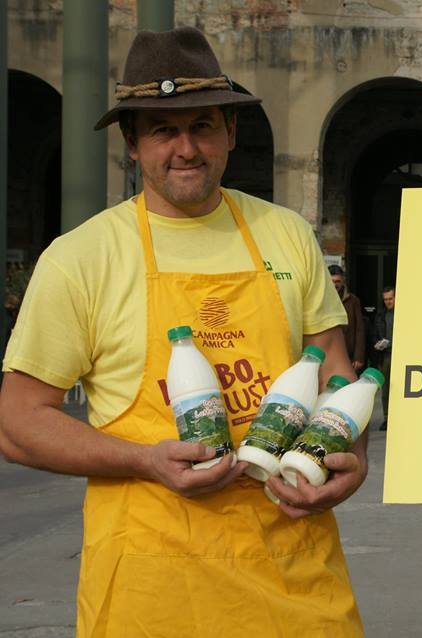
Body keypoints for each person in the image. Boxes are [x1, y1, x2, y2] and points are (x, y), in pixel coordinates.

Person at [0, 27, 365, 637]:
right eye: (164, 130)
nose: (186, 148)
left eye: (202, 125)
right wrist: (144, 461)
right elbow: (16, 422)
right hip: (151, 593)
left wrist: (350, 462)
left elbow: (335, 369)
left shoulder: (286, 234)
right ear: (132, 144)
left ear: (231, 132)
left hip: (295, 581)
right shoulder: (82, 258)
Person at [328, 264, 366, 372]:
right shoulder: (321, 300)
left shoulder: (353, 301)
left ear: (343, 281)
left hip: (347, 352)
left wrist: (358, 356)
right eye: (332, 281)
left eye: (337, 281)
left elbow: (359, 330)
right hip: (327, 351)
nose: (335, 285)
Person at [373, 286, 395, 430]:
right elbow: (375, 332)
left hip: (399, 353)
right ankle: (387, 417)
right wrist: (377, 343)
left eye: (390, 299)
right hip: (386, 354)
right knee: (386, 388)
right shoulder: (381, 315)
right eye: (386, 299)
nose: (388, 302)